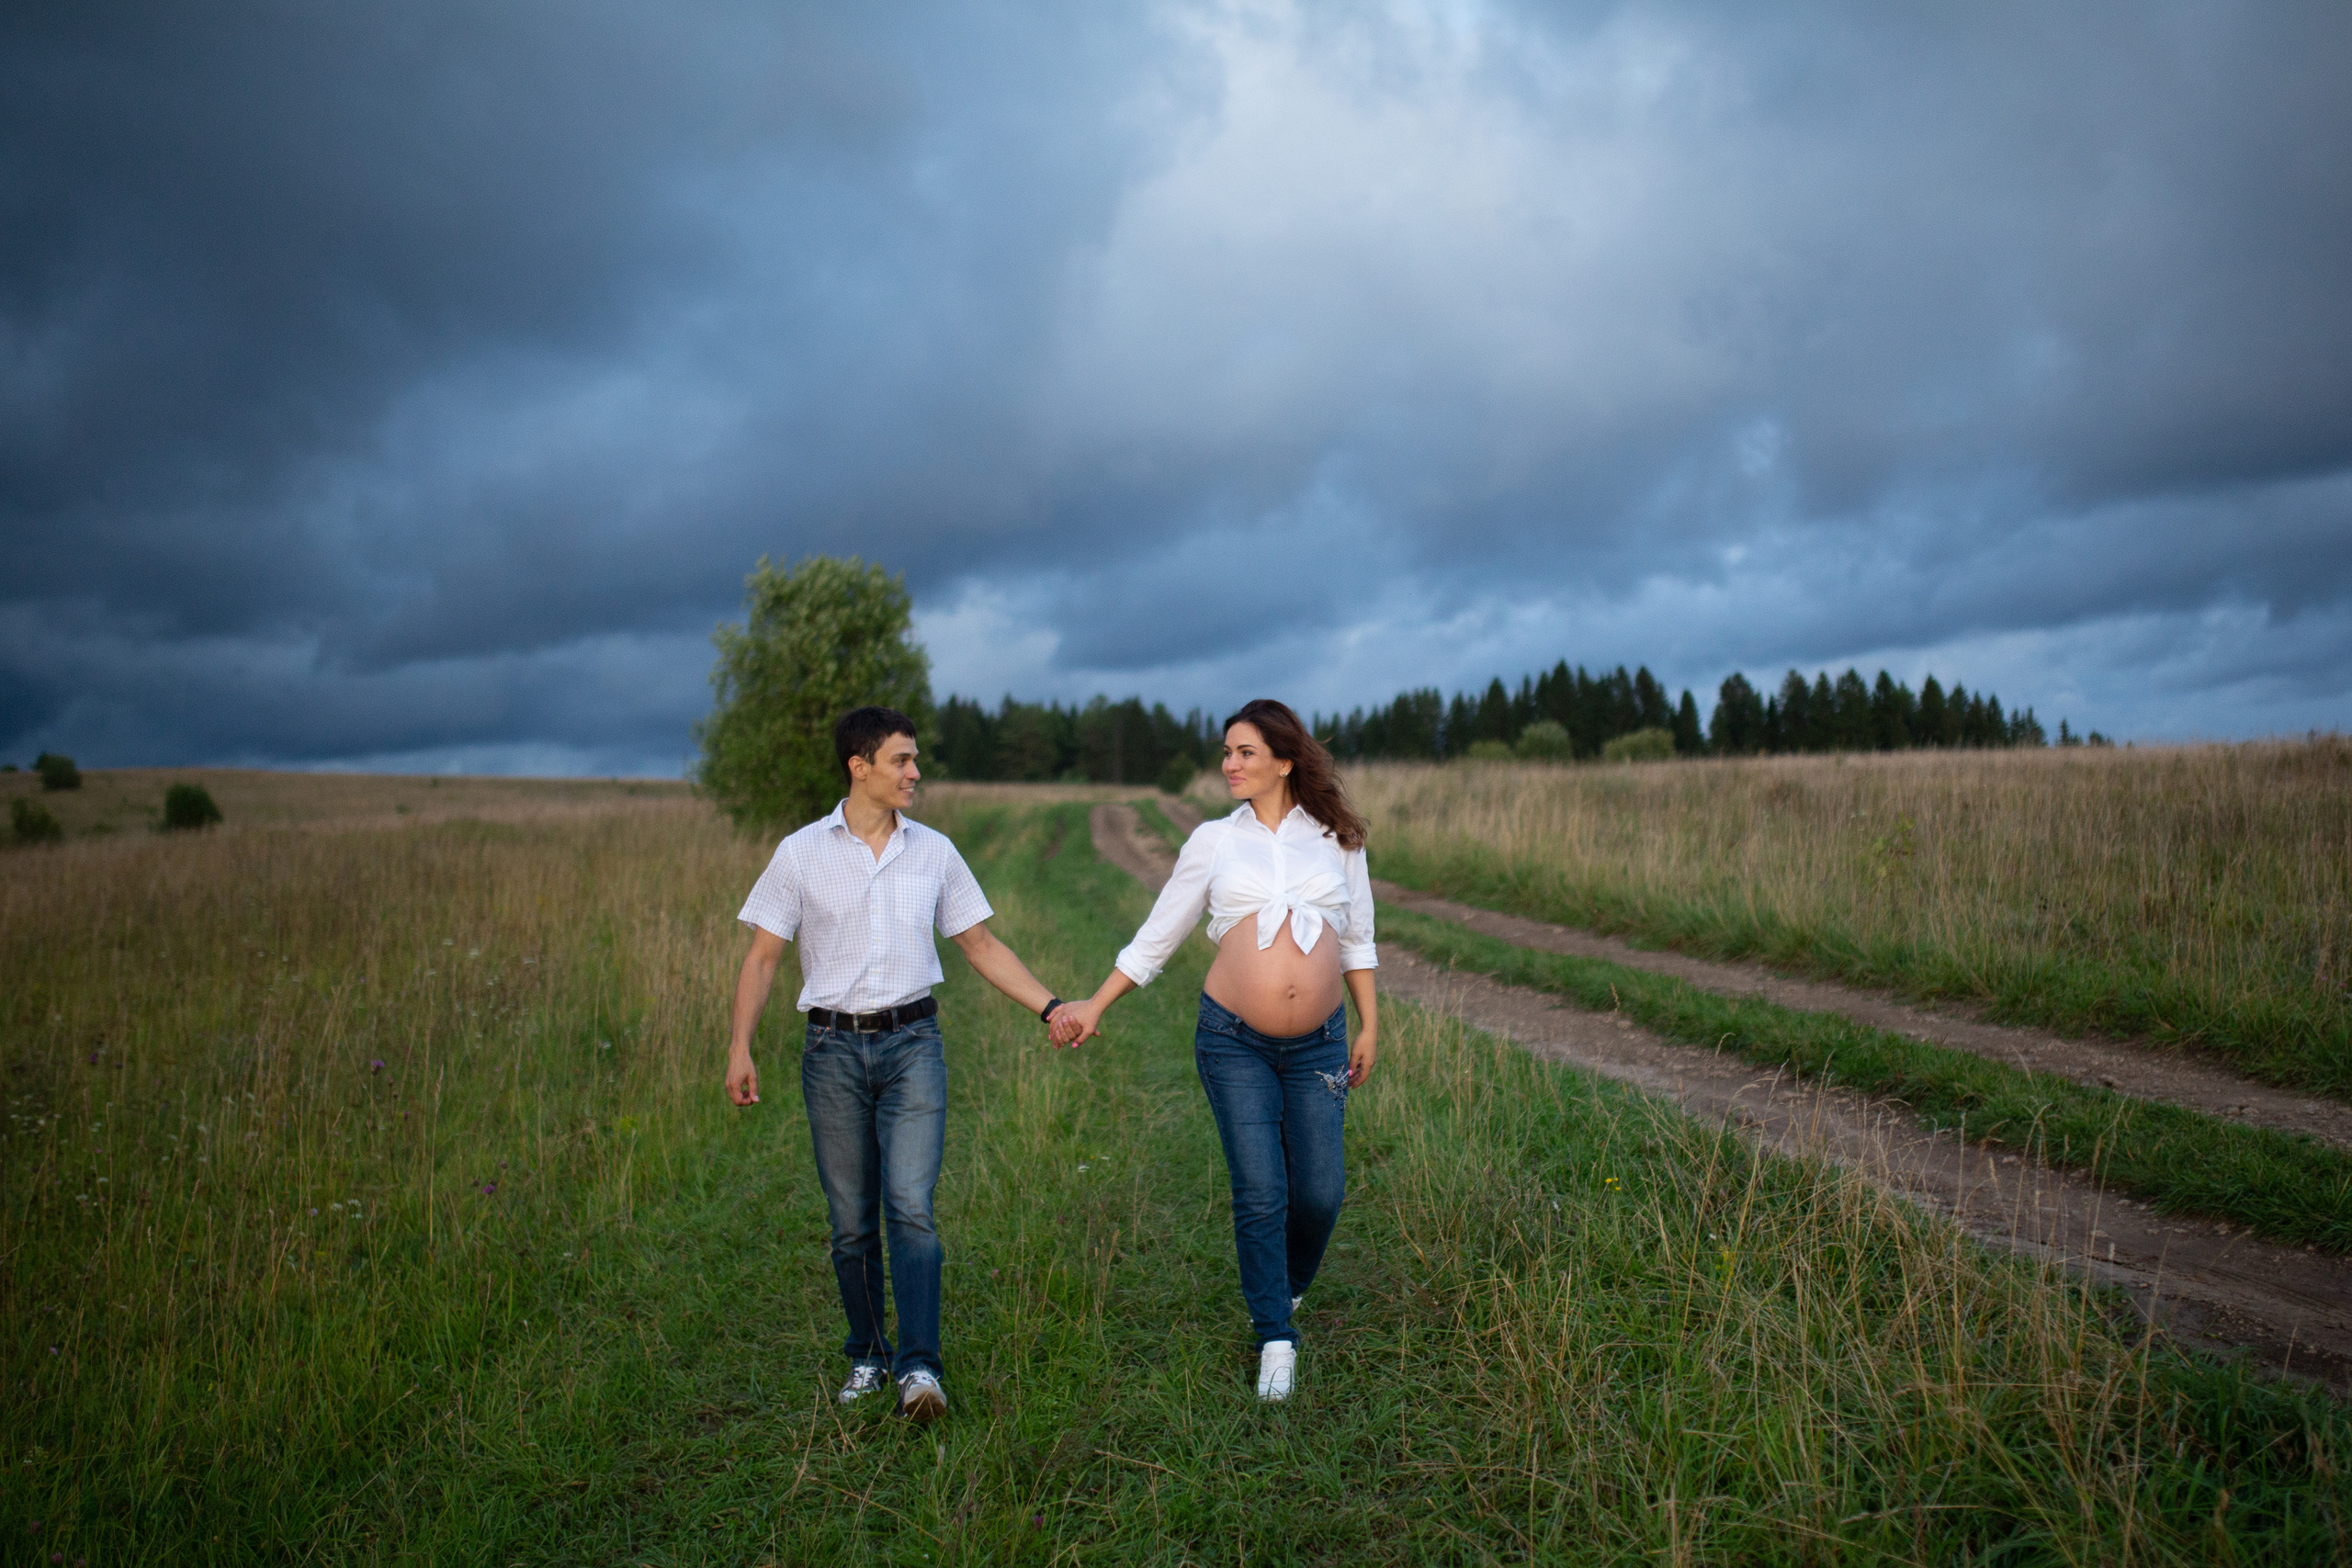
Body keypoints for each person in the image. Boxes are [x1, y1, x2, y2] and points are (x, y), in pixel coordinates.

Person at [726, 705, 1071, 1423]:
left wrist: (1051, 1006)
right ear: (860, 766)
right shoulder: (799, 853)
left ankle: (919, 1369)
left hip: (914, 1045)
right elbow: (763, 958)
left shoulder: (935, 852)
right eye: (902, 760)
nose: (916, 773)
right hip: (831, 1051)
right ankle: (867, 1354)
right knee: (851, 1220)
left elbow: (980, 945)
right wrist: (740, 1045)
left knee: (911, 1207)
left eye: (916, 760)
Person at [1051, 698, 1377, 1403]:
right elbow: (1158, 935)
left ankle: (1282, 1289)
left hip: (1321, 1042)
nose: (1229, 764)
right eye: (1226, 752)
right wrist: (1094, 1003)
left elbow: (1358, 939)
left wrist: (1370, 1023)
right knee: (1261, 1190)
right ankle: (1274, 1338)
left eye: (1245, 752)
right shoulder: (1211, 841)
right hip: (1233, 1041)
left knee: (1321, 1192)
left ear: (1284, 760)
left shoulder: (1338, 839)